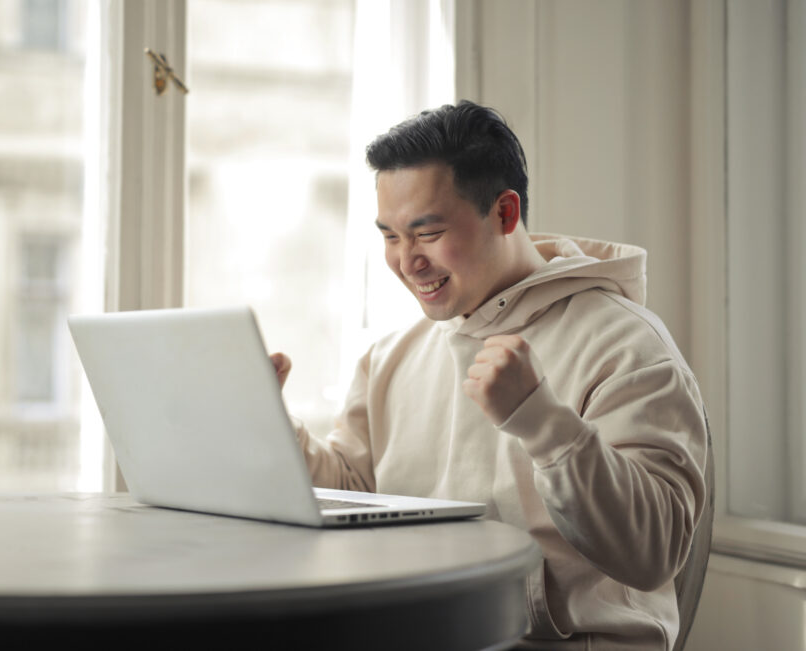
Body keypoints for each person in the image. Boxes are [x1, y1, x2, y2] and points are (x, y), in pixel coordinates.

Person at [271, 100, 709, 650]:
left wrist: (544, 424)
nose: (407, 262)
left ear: (504, 213)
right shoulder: (392, 355)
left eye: (426, 233)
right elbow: (355, 492)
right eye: (390, 236)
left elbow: (655, 553)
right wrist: (270, 427)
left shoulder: (626, 344)